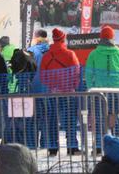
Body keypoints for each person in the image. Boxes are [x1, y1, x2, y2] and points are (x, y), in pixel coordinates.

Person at [86, 26, 119, 152]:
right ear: (112, 37)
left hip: (99, 91)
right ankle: (118, 145)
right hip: (117, 91)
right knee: (115, 117)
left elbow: (88, 74)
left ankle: (100, 146)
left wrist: (91, 88)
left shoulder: (94, 54)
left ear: (101, 38)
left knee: (100, 118)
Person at [39, 27, 81, 155]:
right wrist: (72, 86)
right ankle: (72, 146)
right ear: (63, 39)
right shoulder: (70, 54)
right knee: (70, 120)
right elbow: (76, 72)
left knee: (52, 120)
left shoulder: (46, 56)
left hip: (53, 93)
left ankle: (52, 148)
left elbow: (42, 76)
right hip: (68, 92)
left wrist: (52, 85)